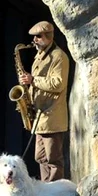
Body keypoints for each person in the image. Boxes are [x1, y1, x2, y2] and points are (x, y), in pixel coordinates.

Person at [18, 21, 69, 182]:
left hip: (52, 115)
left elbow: (58, 83)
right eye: (34, 37)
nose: (35, 40)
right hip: (40, 115)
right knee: (40, 157)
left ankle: (54, 192)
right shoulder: (39, 56)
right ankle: (45, 190)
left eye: (38, 37)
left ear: (49, 36)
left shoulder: (58, 57)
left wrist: (33, 80)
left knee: (54, 160)